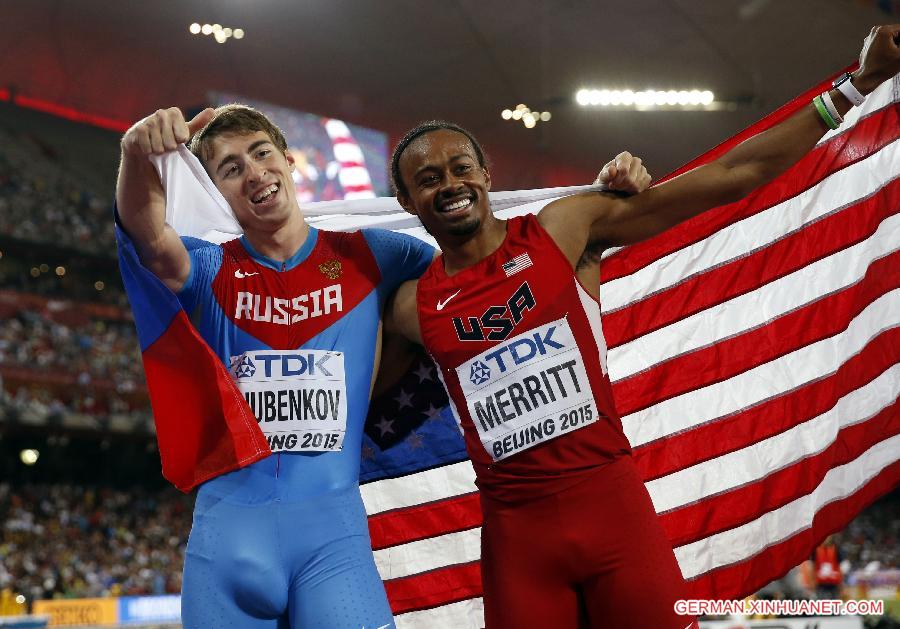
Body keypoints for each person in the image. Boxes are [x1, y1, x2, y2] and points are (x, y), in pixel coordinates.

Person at [385, 25, 900, 629]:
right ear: (404, 201)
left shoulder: (563, 230)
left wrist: (856, 85)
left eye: (460, 167)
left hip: (612, 515)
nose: (449, 184)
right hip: (517, 540)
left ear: (486, 174)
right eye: (428, 179)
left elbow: (733, 175)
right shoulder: (409, 307)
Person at [116, 104, 649, 628]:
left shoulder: (374, 255)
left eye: (261, 154)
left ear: (288, 160)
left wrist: (597, 199)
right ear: (217, 190)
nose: (254, 173)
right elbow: (147, 234)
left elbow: (487, 260)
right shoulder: (211, 269)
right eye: (231, 168)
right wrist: (137, 154)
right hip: (226, 544)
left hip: (332, 547)